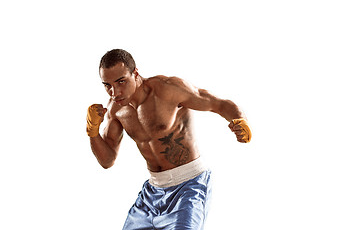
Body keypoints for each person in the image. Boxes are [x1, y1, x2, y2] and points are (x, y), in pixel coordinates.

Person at [86, 49, 252, 230]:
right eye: (107, 85)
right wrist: (92, 131)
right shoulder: (114, 110)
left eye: (121, 82)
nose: (114, 92)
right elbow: (107, 160)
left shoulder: (167, 89)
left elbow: (218, 103)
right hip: (151, 194)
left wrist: (240, 120)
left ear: (135, 73)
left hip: (189, 186)